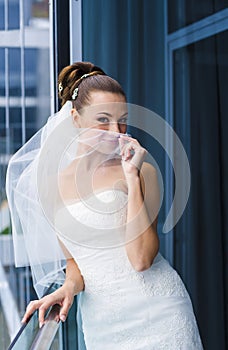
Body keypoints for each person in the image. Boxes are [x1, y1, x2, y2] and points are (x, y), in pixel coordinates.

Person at [7, 61, 203, 349]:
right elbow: (76, 263)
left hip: (160, 315)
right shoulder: (49, 185)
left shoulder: (142, 168)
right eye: (103, 120)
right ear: (75, 119)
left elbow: (141, 259)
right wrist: (67, 288)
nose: (116, 131)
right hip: (102, 324)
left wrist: (132, 179)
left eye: (122, 120)